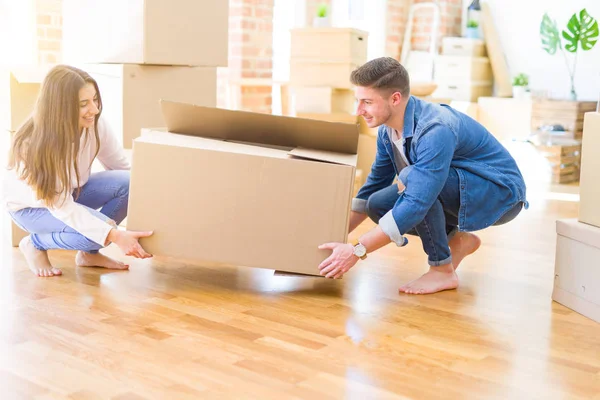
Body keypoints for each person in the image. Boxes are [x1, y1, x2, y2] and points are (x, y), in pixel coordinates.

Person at [317, 57, 528, 294]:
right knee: (378, 203)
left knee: (413, 182)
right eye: (358, 101)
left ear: (395, 98)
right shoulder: (388, 131)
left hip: (499, 194)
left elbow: (418, 200)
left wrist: (356, 250)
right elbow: (372, 187)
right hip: (460, 186)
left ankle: (442, 271)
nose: (359, 111)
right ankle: (456, 241)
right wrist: (329, 236)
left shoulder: (434, 129)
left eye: (367, 102)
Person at [2, 64, 153, 277]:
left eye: (95, 100)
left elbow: (123, 169)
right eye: (84, 104)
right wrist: (115, 235)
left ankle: (88, 255)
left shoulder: (95, 125)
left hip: (72, 193)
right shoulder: (35, 144)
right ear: (60, 108)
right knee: (98, 232)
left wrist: (153, 203)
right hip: (33, 209)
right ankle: (35, 243)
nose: (94, 109)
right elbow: (61, 207)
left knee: (129, 183)